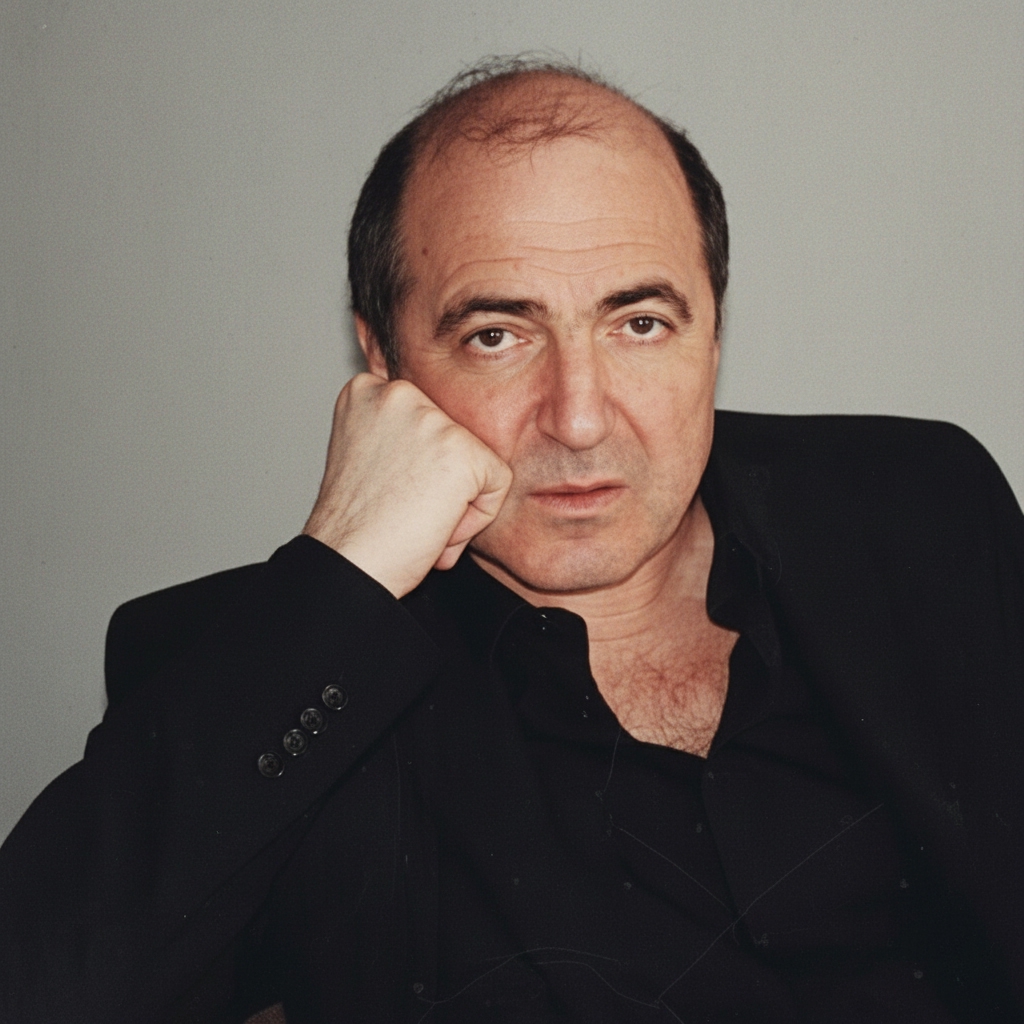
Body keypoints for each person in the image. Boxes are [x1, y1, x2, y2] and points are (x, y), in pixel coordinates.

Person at [1, 57, 1021, 1024]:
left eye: (639, 322)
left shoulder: (921, 508)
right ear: (383, 364)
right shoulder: (266, 671)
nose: (578, 417)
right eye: (496, 335)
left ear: (713, 331)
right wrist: (344, 572)